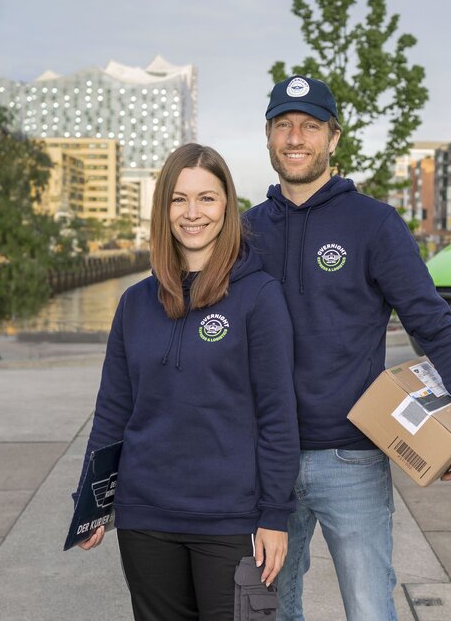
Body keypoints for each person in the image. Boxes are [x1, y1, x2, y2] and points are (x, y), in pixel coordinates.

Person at [244, 76, 451, 620]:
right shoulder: (245, 232)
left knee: (369, 610)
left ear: (333, 137)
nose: (295, 137)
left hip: (352, 456)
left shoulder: (374, 224)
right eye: (283, 125)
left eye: (310, 126)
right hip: (264, 457)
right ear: (268, 136)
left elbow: (430, 323)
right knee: (265, 610)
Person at [75, 143, 300, 621]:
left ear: (227, 206)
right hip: (145, 517)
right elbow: (113, 410)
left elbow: (278, 416)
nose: (192, 213)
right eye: (179, 199)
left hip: (233, 522)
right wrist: (90, 501)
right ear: (164, 209)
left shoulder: (259, 296)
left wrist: (275, 515)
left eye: (206, 198)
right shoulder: (135, 303)